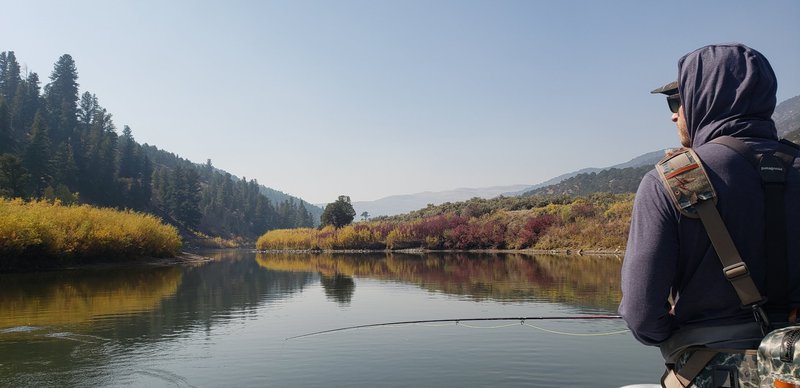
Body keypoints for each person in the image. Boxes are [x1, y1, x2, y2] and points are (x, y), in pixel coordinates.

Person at [619, 43, 800, 387]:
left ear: (704, 100)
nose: (674, 114)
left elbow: (641, 317)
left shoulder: (669, 181)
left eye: (678, 100)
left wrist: (677, 326)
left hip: (710, 372)